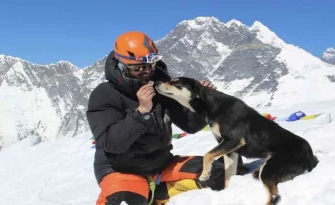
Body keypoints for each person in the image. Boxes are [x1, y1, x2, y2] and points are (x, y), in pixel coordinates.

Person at [86, 31, 248, 205]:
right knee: (124, 201)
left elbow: (190, 125)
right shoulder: (104, 95)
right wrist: (141, 112)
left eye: (150, 65)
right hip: (120, 170)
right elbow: (111, 143)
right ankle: (147, 193)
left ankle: (159, 193)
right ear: (122, 66)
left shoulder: (162, 87)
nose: (147, 71)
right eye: (139, 68)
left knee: (224, 171)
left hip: (161, 164)